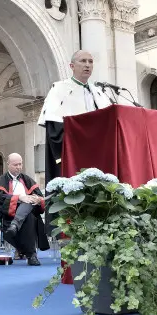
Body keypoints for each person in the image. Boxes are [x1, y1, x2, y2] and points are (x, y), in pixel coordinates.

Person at [37, 50, 113, 213]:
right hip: (74, 154)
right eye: (83, 61)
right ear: (72, 66)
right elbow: (54, 127)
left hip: (99, 154)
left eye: (90, 61)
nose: (87, 65)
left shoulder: (99, 92)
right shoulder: (59, 90)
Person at [0, 153, 49, 266]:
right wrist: (19, 198)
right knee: (29, 215)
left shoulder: (27, 180)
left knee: (29, 207)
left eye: (20, 164)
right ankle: (31, 255)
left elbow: (40, 197)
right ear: (8, 165)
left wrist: (36, 199)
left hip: (26, 215)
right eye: (15, 164)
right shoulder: (1, 181)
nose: (18, 167)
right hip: (10, 216)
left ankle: (16, 226)